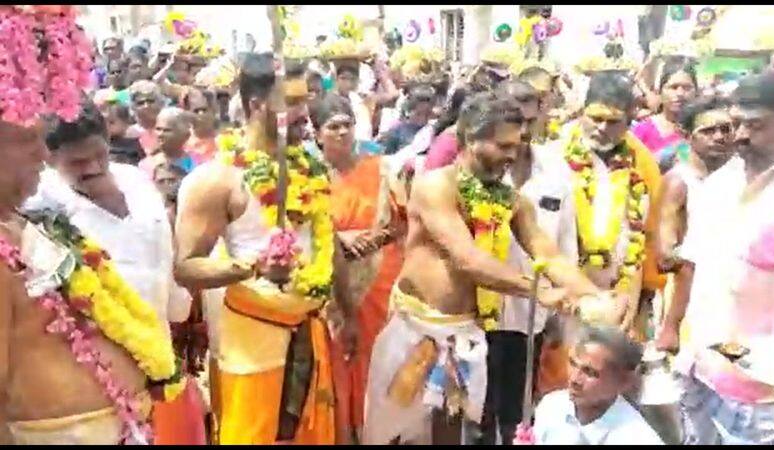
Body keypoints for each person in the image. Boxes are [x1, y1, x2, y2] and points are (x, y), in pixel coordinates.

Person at [362, 91, 627, 445]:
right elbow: (467, 258)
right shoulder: (435, 187)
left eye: (515, 145)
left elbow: (548, 254)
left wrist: (594, 297)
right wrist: (541, 292)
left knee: (451, 434)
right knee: (391, 436)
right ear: (471, 138)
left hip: (464, 334)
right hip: (413, 329)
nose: (512, 155)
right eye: (503, 145)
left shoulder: (511, 201)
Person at [173, 53, 337, 445]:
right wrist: (251, 268)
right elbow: (185, 268)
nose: (305, 113)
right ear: (254, 105)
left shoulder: (309, 168)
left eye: (307, 100)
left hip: (311, 332)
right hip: (252, 343)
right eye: (292, 102)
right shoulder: (218, 179)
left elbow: (321, 244)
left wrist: (342, 306)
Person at [23, 100, 206, 445]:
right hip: (97, 370)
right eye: (77, 162)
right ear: (50, 157)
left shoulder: (135, 181)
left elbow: (164, 254)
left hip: (160, 349)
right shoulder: (40, 206)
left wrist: (178, 315)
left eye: (99, 155)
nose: (92, 168)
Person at [675, 72, 774, 445]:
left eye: (755, 125)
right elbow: (695, 265)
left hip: (764, 388)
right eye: (736, 124)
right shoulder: (720, 183)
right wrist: (672, 330)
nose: (740, 136)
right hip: (700, 366)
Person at [478, 80, 579, 445]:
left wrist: (562, 310)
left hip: (531, 313)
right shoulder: (474, 170)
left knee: (517, 411)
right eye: (510, 105)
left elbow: (564, 244)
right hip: (476, 313)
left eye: (527, 104)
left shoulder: (555, 169)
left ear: (539, 110)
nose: (519, 113)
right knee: (475, 409)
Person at [533, 71, 665, 344]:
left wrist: (632, 295)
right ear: (582, 112)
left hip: (617, 297)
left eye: (614, 122)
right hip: (560, 295)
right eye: (595, 118)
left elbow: (642, 237)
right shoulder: (551, 157)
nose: (603, 128)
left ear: (630, 122)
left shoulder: (642, 163)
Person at [309, 94, 406, 444]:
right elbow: (304, 230)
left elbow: (403, 225)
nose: (342, 132)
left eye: (347, 124)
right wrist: (338, 239)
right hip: (332, 283)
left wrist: (372, 238)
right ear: (317, 134)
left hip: (379, 277)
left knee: (378, 359)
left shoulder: (382, 169)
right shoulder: (310, 178)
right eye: (332, 126)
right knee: (335, 360)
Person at [653, 96, 735, 353]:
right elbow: (665, 256)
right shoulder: (679, 182)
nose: (719, 136)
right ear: (687, 136)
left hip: (732, 298)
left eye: (726, 129)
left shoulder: (742, 178)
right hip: (686, 303)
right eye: (708, 131)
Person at [530, 324, 663, 445]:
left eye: (590, 372)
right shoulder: (551, 406)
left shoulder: (637, 438)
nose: (575, 379)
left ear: (623, 381)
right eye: (573, 364)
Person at [631, 60, 698, 173]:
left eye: (687, 88)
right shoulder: (642, 130)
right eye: (673, 87)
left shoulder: (703, 130)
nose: (680, 94)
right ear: (660, 91)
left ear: (696, 92)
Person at [378, 83, 437, 155]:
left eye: (427, 115)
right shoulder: (397, 131)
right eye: (418, 114)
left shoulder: (431, 132)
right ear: (409, 111)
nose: (422, 120)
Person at [139, 107, 195, 180]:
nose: (160, 134)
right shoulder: (146, 166)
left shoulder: (197, 163)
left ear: (185, 135)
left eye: (167, 130)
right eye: (158, 129)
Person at [181, 88, 219, 165]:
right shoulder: (182, 147)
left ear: (213, 110)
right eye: (196, 111)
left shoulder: (229, 141)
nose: (201, 114)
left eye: (204, 110)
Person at [128, 80, 165, 156]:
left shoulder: (171, 130)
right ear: (133, 107)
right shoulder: (130, 133)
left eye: (150, 101)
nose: (146, 106)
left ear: (160, 103)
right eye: (141, 103)